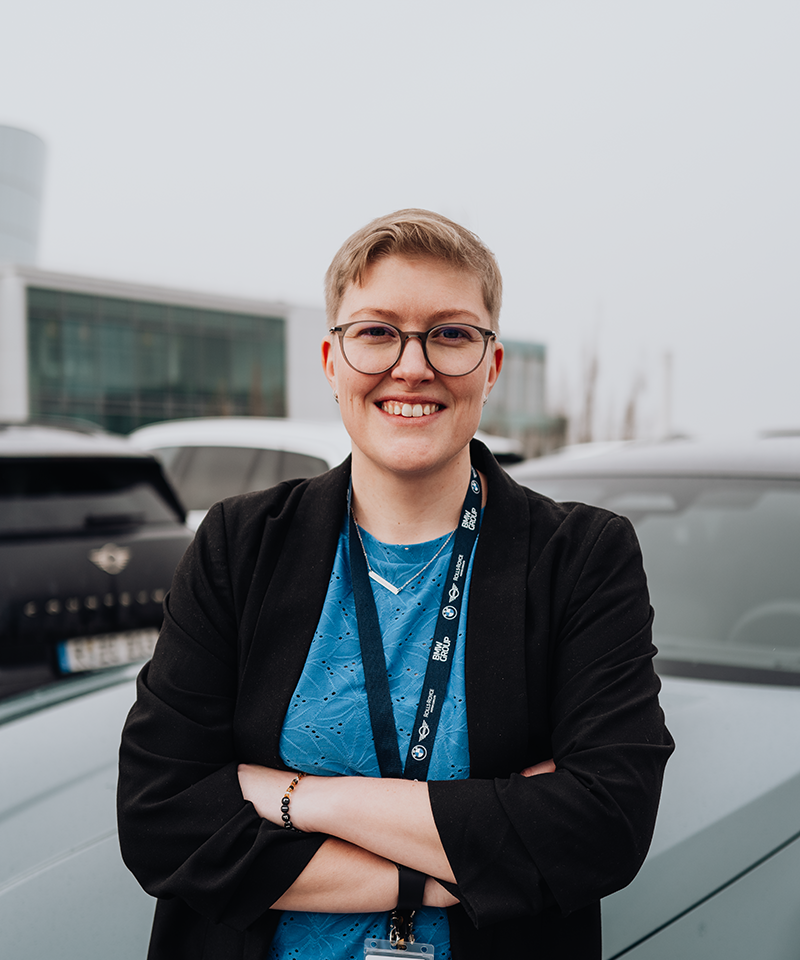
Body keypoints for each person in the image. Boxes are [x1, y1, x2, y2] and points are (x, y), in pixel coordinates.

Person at [117, 209, 673, 960]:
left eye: (451, 333)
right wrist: (445, 871)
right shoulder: (240, 544)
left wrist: (305, 798)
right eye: (377, 332)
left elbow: (604, 827)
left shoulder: (581, 558)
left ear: (491, 366)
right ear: (332, 361)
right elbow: (160, 819)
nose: (412, 366)